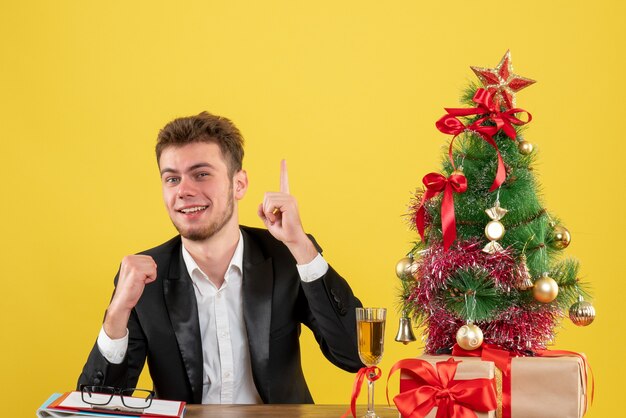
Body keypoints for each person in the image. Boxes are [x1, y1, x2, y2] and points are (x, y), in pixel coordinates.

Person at [77, 112, 363, 404]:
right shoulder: (143, 278)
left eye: (201, 174)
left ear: (239, 185)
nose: (184, 191)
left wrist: (301, 246)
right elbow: (97, 404)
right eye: (172, 178)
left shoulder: (288, 256)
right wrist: (117, 313)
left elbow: (356, 355)